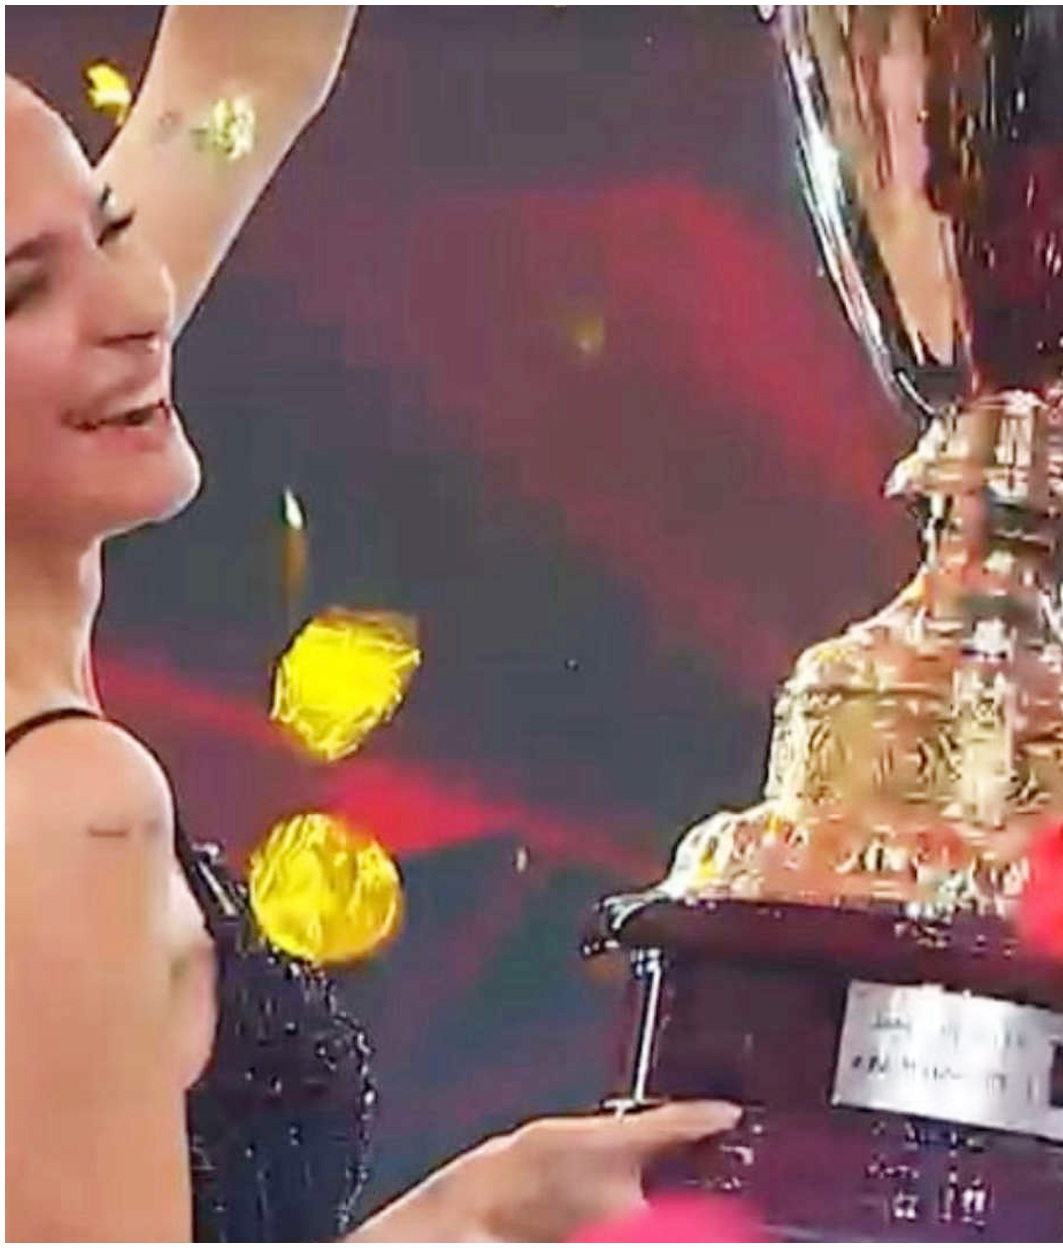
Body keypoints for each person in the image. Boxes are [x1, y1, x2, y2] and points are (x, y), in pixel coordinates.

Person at [5, 9, 738, 1241]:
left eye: (117, 223)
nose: (138, 302)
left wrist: (474, 1213)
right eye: (22, 294)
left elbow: (232, 82)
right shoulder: (64, 818)